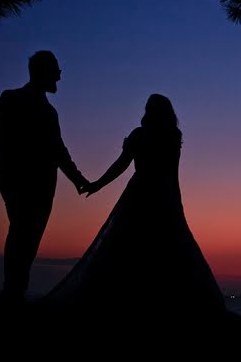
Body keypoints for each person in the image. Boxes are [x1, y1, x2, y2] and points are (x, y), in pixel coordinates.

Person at [46, 94, 226, 317]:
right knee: (146, 245)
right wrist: (98, 185)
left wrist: (97, 185)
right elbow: (139, 168)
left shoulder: (148, 135)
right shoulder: (164, 135)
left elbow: (128, 166)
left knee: (138, 244)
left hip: (147, 194)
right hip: (155, 195)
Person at [0, 50, 90, 305]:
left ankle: (15, 291)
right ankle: (13, 293)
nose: (60, 77)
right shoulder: (13, 99)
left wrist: (78, 179)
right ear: (44, 73)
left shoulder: (45, 110)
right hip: (24, 183)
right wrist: (6, 178)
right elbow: (5, 141)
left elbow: (57, 151)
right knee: (22, 235)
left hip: (39, 186)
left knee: (26, 239)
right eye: (56, 72)